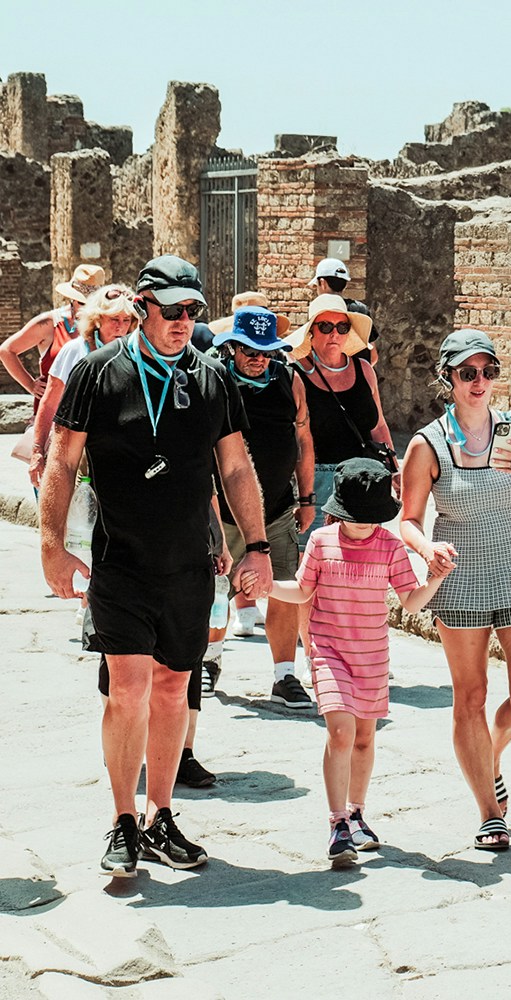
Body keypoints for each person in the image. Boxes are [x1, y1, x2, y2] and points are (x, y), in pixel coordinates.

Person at [39, 254, 273, 877]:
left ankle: (160, 816)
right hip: (121, 563)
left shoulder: (212, 376)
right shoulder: (96, 372)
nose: (182, 322)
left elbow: (234, 466)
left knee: (174, 690)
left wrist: (257, 544)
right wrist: (51, 545)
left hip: (190, 565)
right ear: (142, 308)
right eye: (170, 311)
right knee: (128, 690)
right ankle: (122, 820)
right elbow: (62, 462)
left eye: (192, 312)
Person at [398, 330, 511, 851]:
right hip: (460, 578)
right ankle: (490, 812)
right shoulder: (428, 443)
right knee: (470, 696)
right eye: (467, 372)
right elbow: (408, 519)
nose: (479, 382)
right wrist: (426, 552)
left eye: (487, 371)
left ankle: (489, 757)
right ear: (448, 378)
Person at [251, 459, 450, 865]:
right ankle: (337, 821)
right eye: (355, 519)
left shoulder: (390, 547)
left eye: (370, 519)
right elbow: (304, 591)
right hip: (329, 652)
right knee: (341, 732)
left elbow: (411, 602)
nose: (362, 526)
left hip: (372, 655)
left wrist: (436, 577)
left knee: (364, 738)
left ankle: (358, 813)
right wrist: (270, 587)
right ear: (339, 510)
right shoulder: (322, 542)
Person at [209, 307, 317, 709]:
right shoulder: (215, 381)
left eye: (266, 351)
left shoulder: (290, 379)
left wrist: (307, 499)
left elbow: (303, 439)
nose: (257, 358)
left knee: (285, 589)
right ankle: (209, 660)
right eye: (249, 349)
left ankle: (284, 675)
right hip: (223, 512)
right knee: (216, 590)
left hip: (276, 508)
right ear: (232, 346)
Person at [286, 294, 388, 548]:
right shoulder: (295, 374)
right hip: (318, 483)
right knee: (312, 566)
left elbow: (378, 425)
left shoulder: (364, 370)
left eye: (342, 327)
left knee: (362, 561)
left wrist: (394, 471)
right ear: (311, 332)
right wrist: (305, 499)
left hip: (364, 481)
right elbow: (297, 439)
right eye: (325, 326)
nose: (334, 333)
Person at [29, 285, 138, 488]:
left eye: (126, 320)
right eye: (114, 319)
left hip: (123, 457)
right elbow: (50, 403)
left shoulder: (136, 353)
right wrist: (37, 451)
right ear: (97, 319)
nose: (121, 327)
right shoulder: (75, 351)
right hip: (77, 456)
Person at [2, 263, 106, 407]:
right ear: (72, 298)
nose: (87, 307)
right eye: (82, 302)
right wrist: (31, 385)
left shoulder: (108, 325)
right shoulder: (51, 323)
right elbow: (6, 350)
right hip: (53, 413)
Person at [309, 257, 378, 367]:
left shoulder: (319, 311)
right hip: (358, 380)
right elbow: (373, 356)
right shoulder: (361, 311)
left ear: (322, 283)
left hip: (324, 380)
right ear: (345, 284)